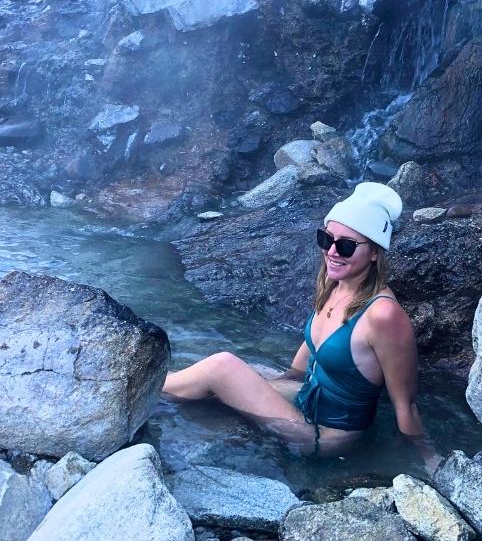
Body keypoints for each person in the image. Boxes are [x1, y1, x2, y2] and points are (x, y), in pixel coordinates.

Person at [162, 182, 438, 465]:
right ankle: (161, 391)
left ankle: (150, 390)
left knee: (222, 367)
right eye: (326, 239)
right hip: (305, 396)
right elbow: (312, 344)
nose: (332, 251)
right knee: (239, 372)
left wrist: (427, 460)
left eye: (346, 245)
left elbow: (406, 405)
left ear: (375, 253)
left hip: (325, 434)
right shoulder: (335, 283)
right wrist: (282, 379)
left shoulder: (383, 316)